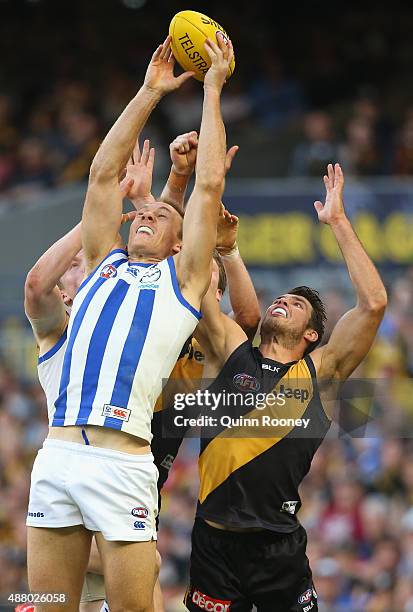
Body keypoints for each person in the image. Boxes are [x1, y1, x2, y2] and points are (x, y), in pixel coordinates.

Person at [25, 33, 234, 612]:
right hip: (60, 456)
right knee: (43, 605)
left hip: (124, 463)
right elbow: (101, 176)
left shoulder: (181, 280)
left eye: (161, 214)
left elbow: (208, 187)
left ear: (178, 243)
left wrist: (211, 90)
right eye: (141, 211)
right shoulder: (101, 263)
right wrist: (148, 93)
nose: (146, 214)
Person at [183, 163, 388, 612]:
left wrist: (337, 221)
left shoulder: (322, 373)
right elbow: (192, 287)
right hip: (214, 540)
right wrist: (195, 199)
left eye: (296, 305)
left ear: (312, 335)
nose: (282, 301)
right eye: (281, 298)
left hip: (278, 548)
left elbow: (373, 303)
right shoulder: (231, 351)